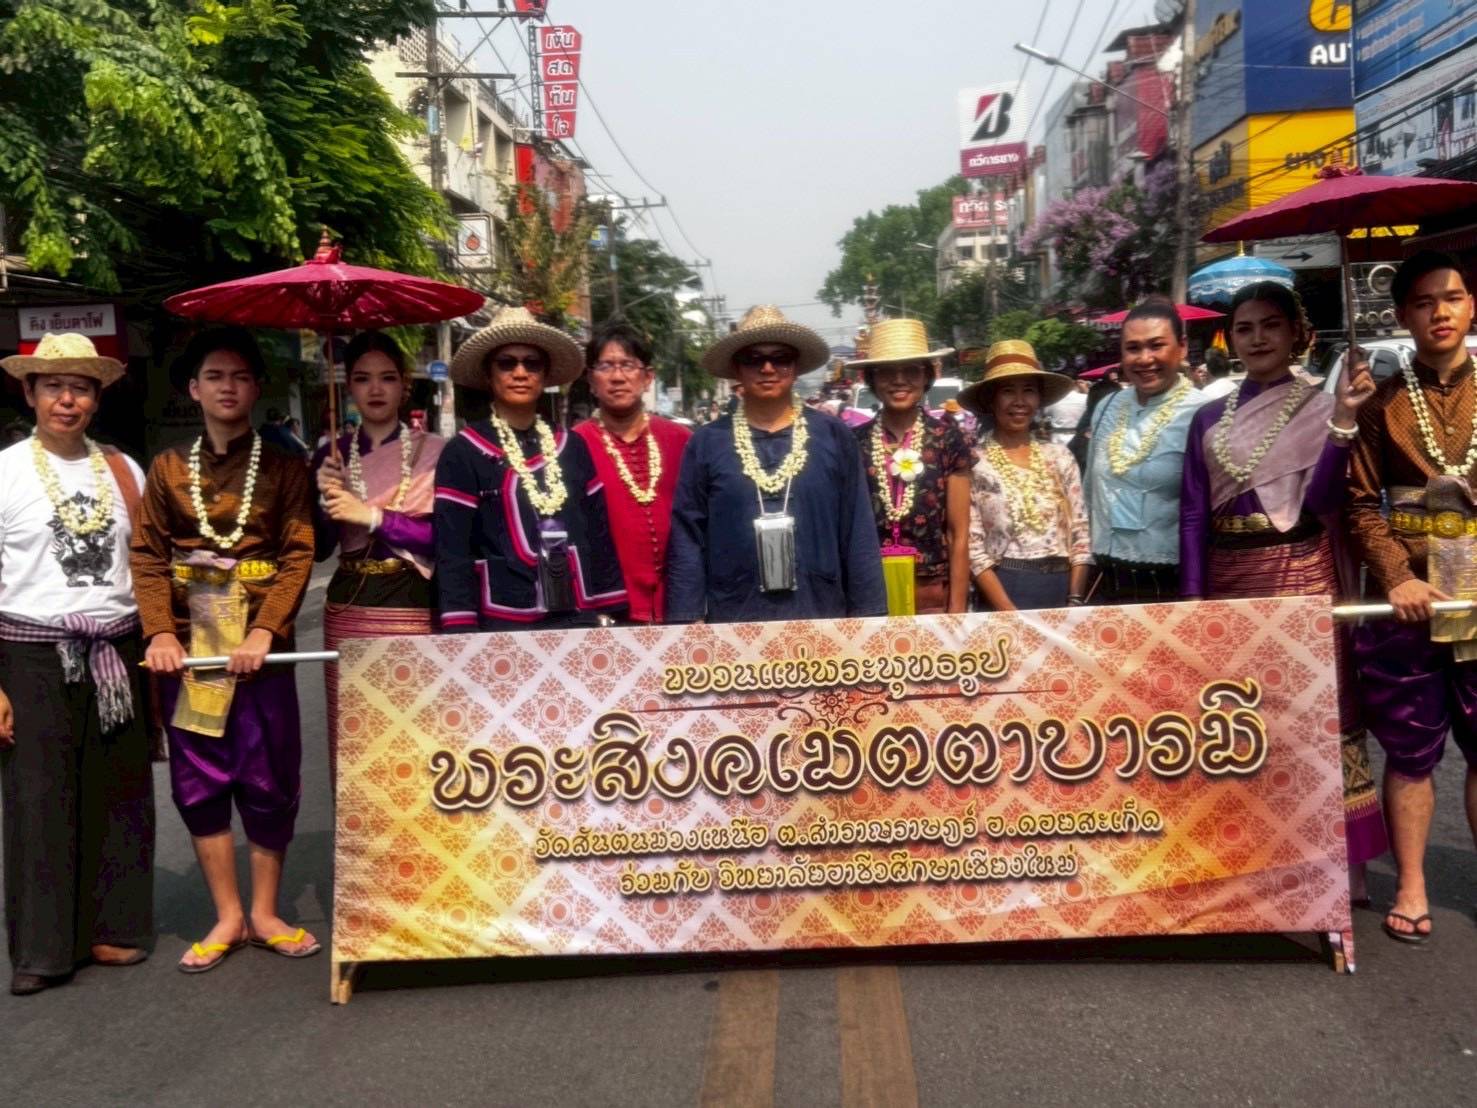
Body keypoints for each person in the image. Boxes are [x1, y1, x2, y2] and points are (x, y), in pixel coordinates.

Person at [1179, 281, 1386, 897]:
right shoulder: (1208, 417)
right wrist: (1192, 602)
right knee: (1242, 719)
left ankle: (1343, 868)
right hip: (1230, 580)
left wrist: (1343, 421)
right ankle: (1257, 859)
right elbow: (1192, 514)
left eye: (1271, 325)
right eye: (1244, 328)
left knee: (1320, 715)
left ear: (1297, 332)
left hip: (1301, 572)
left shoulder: (1323, 408)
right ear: (1230, 339)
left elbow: (1322, 504)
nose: (1258, 338)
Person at [131, 326, 319, 972]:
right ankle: (228, 916)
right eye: (214, 376)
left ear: (257, 388)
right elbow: (147, 555)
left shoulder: (286, 466)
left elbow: (298, 553)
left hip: (261, 652)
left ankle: (265, 912)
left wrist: (266, 630)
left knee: (270, 775)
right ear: (194, 389)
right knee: (198, 780)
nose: (227, 387)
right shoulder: (166, 468)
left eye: (240, 376)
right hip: (189, 653)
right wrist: (159, 631)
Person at [0, 334, 154, 996]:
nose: (68, 399)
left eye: (82, 387)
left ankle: (112, 927)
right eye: (54, 386)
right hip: (29, 653)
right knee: (38, 801)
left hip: (116, 650)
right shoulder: (5, 471)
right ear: (30, 393)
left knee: (116, 791)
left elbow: (147, 563)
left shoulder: (122, 470)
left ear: (97, 397)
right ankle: (43, 948)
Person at [1345, 251, 1477, 944]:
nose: (1439, 312)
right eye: (1423, 302)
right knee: (1409, 746)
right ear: (1403, 316)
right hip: (1406, 602)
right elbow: (1360, 505)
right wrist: (1396, 576)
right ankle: (1413, 885)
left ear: (1471, 305)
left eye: (1451, 297)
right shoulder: (1381, 402)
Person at [667, 305, 887, 622]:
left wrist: (868, 616)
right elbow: (688, 538)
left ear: (795, 367)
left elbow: (858, 531)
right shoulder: (707, 443)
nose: (768, 368)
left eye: (780, 358)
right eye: (753, 359)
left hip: (821, 616)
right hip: (734, 621)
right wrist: (687, 621)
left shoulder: (832, 436)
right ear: (737, 369)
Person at [434, 307, 627, 631]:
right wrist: (460, 629)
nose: (520, 373)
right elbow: (453, 551)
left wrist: (611, 610)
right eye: (506, 363)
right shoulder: (464, 451)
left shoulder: (572, 446)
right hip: (501, 622)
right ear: (488, 374)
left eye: (532, 363)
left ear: (545, 374)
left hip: (577, 616)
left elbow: (599, 534)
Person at [313, 331, 444, 777]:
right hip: (348, 605)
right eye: (362, 378)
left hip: (412, 602)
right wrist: (323, 498)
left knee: (417, 738)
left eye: (387, 378)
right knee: (354, 744)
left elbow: (446, 540)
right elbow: (320, 548)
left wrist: (372, 516)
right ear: (347, 385)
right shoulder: (331, 454)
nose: (375, 389)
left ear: (404, 385)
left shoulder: (435, 452)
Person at [845, 318, 971, 614]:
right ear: (871, 379)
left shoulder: (948, 439)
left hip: (932, 592)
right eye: (887, 372)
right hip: (870, 591)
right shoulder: (852, 443)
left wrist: (956, 611)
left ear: (927, 376)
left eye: (911, 370)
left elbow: (959, 533)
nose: (899, 380)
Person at [1084, 300, 1206, 602]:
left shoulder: (1202, 413)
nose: (1144, 359)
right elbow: (1089, 492)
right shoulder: (1107, 407)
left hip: (1170, 580)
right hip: (1105, 575)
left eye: (1156, 345)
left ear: (1182, 347)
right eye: (1133, 348)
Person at [572, 321, 691, 624]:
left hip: (679, 603)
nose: (617, 377)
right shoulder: (573, 445)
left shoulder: (681, 440)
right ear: (591, 379)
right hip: (607, 609)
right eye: (605, 366)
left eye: (627, 365)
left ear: (647, 377)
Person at [959, 340, 1089, 610]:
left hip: (1062, 588)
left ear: (1039, 399)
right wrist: (1010, 614)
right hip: (1005, 587)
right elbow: (974, 549)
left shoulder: (1059, 457)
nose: (1019, 402)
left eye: (1028, 390)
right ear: (991, 399)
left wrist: (1075, 599)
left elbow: (1080, 534)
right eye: (1008, 391)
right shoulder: (974, 463)